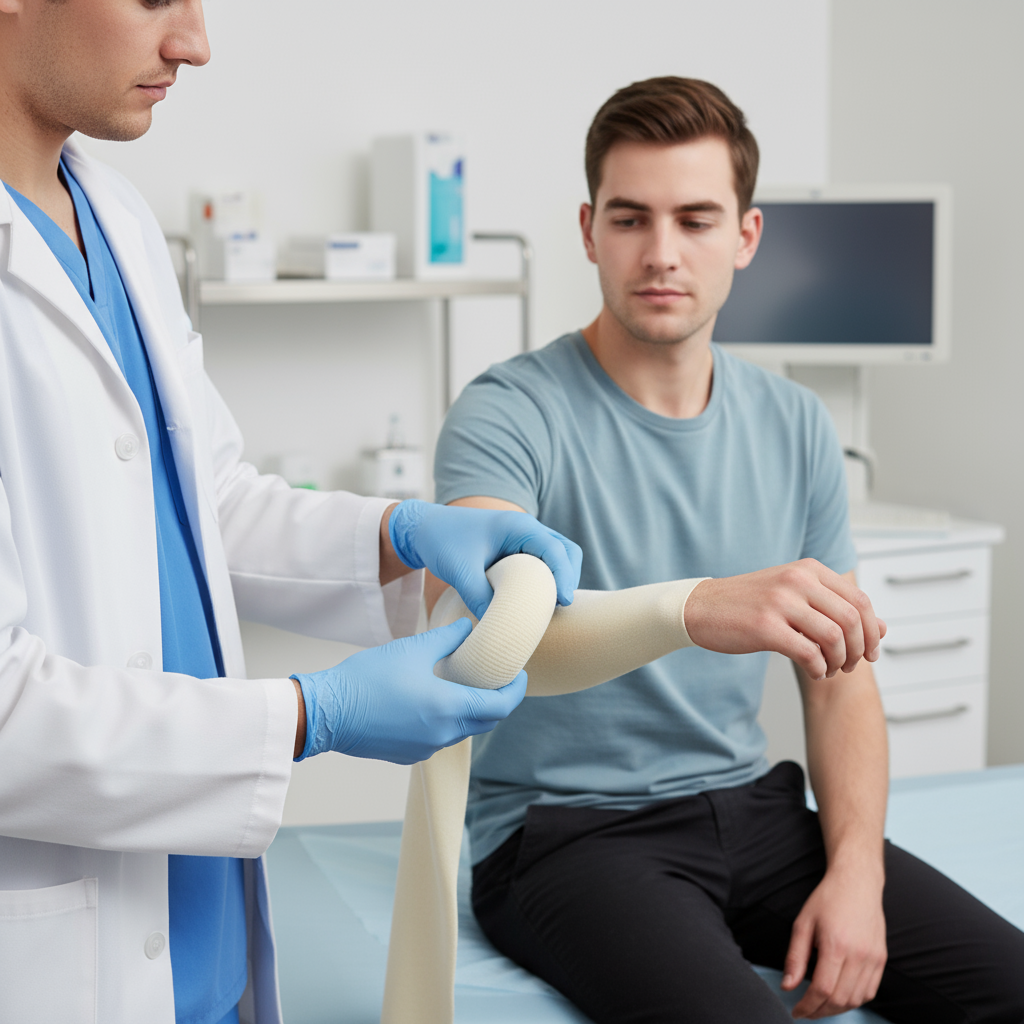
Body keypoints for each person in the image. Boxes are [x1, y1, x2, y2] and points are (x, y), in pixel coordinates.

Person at [0, 3, 585, 1023]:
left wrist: (398, 534)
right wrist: (314, 716)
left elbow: (203, 499)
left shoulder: (119, 216)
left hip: (201, 929)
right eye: (153, 0)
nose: (194, 44)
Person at [429, 77, 1024, 1022]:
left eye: (696, 219)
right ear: (588, 231)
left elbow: (841, 679)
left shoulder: (794, 424)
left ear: (746, 237)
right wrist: (698, 606)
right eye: (630, 219)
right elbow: (502, 635)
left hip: (756, 811)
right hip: (568, 834)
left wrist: (857, 874)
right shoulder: (509, 412)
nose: (661, 254)